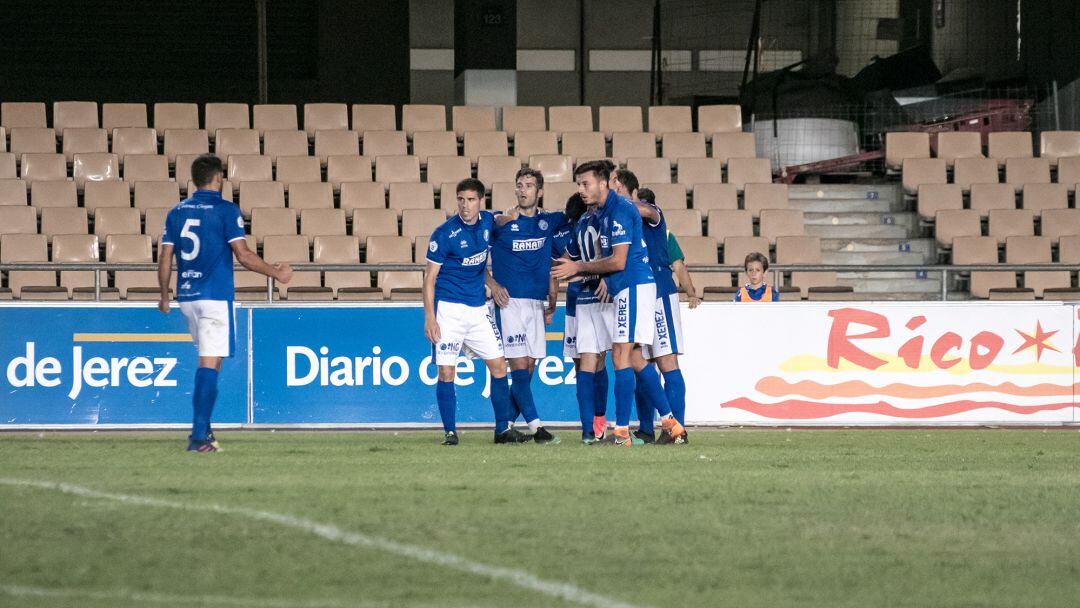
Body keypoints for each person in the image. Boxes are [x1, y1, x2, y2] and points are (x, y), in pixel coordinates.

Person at [158, 154, 293, 453]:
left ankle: (204, 431)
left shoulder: (176, 212)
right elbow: (243, 255)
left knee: (211, 360)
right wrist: (277, 273)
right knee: (208, 363)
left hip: (187, 296)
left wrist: (166, 295)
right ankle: (197, 437)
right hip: (214, 296)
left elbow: (166, 256)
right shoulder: (226, 210)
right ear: (218, 177)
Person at [552, 161, 687, 446]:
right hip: (625, 287)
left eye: (585, 184)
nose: (581, 190)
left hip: (634, 286)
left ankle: (622, 432)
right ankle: (672, 424)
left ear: (604, 183)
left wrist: (579, 267)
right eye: (579, 184)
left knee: (620, 354)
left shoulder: (621, 211)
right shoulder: (604, 214)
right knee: (635, 357)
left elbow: (619, 261)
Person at [424, 178, 527, 445]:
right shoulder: (444, 234)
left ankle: (502, 430)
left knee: (498, 366)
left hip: (479, 309)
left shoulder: (486, 223)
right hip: (449, 310)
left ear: (481, 201)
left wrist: (510, 217)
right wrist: (430, 318)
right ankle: (450, 432)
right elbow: (429, 279)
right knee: (447, 372)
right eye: (460, 199)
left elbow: (498, 223)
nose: (465, 205)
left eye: (470, 200)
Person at [609, 173, 691, 445]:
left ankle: (676, 428)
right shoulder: (621, 220)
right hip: (637, 295)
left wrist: (615, 201)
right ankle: (646, 428)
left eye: (618, 189)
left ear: (632, 193)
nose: (614, 193)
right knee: (637, 362)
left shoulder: (650, 213)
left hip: (660, 295)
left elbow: (645, 210)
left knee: (668, 363)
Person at [488, 168, 563, 444]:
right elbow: (473, 249)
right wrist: (493, 285)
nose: (523, 190)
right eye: (519, 185)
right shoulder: (500, 223)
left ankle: (504, 428)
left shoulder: (550, 222)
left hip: (536, 304)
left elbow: (557, 257)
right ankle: (537, 429)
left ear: (539, 191)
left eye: (529, 185)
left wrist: (553, 292)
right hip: (510, 303)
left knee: (528, 369)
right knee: (519, 367)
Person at [550, 193, 610, 443]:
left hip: (578, 300)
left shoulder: (564, 231)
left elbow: (559, 267)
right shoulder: (601, 222)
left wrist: (552, 299)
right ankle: (600, 423)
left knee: (585, 361)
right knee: (602, 359)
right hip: (602, 296)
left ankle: (589, 428)